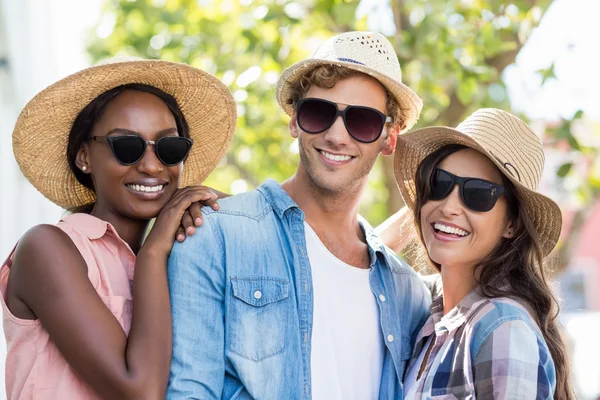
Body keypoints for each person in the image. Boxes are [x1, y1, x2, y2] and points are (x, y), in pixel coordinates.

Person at [166, 31, 431, 399]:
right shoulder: (215, 235)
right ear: (294, 120)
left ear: (389, 138)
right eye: (319, 112)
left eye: (363, 121)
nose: (337, 136)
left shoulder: (407, 292)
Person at [1, 57, 237, 399]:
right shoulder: (47, 248)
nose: (153, 166)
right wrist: (153, 252)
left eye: (169, 148)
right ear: (84, 156)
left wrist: (222, 213)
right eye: (127, 146)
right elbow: (139, 390)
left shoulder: (183, 257)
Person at [393, 109, 574, 399]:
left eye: (478, 194)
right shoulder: (431, 317)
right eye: (439, 183)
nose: (450, 206)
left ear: (512, 224)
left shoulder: (503, 327)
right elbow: (361, 261)